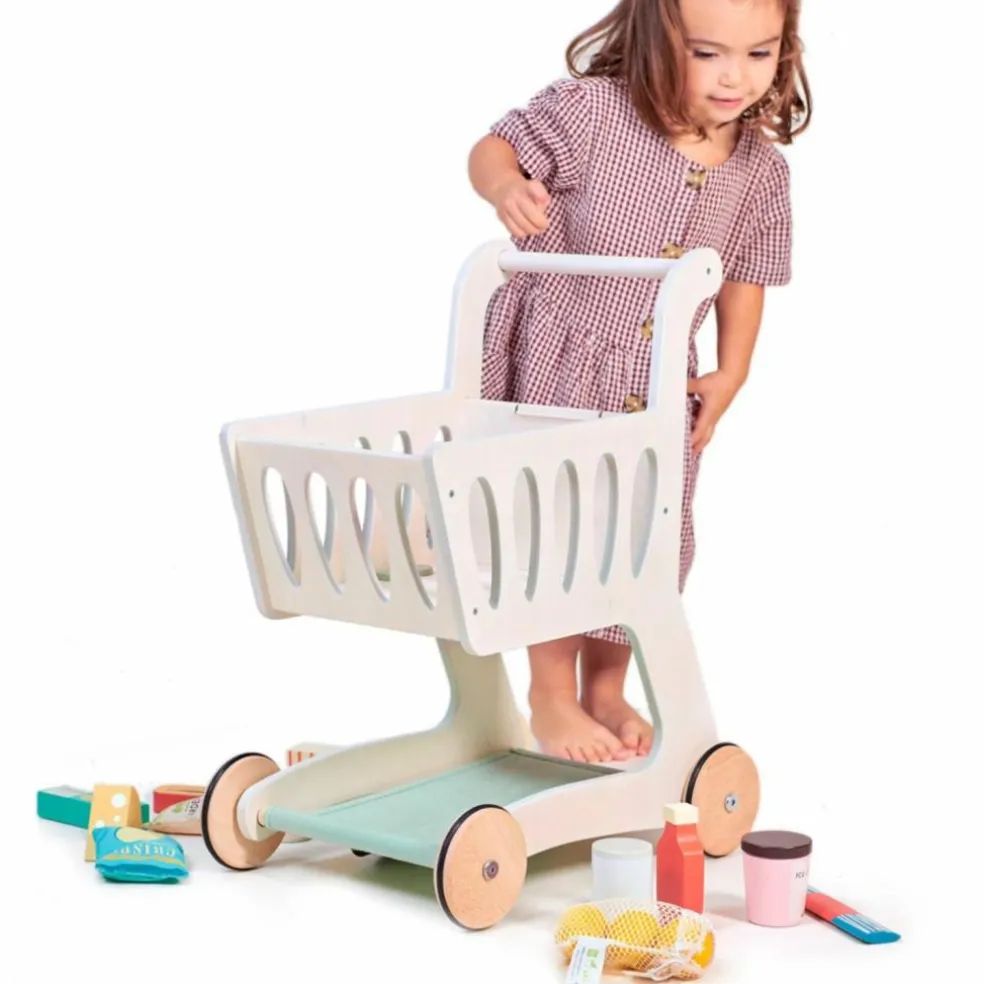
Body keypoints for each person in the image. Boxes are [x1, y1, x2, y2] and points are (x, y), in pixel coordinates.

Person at [467, 0, 811, 764]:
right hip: (559, 362)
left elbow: (747, 274)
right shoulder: (594, 112)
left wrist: (733, 371)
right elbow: (494, 147)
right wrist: (504, 188)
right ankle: (550, 694)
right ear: (656, 40)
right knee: (557, 526)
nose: (735, 77)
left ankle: (605, 688)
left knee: (642, 535)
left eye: (759, 54)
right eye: (707, 53)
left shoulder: (760, 169)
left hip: (656, 386)